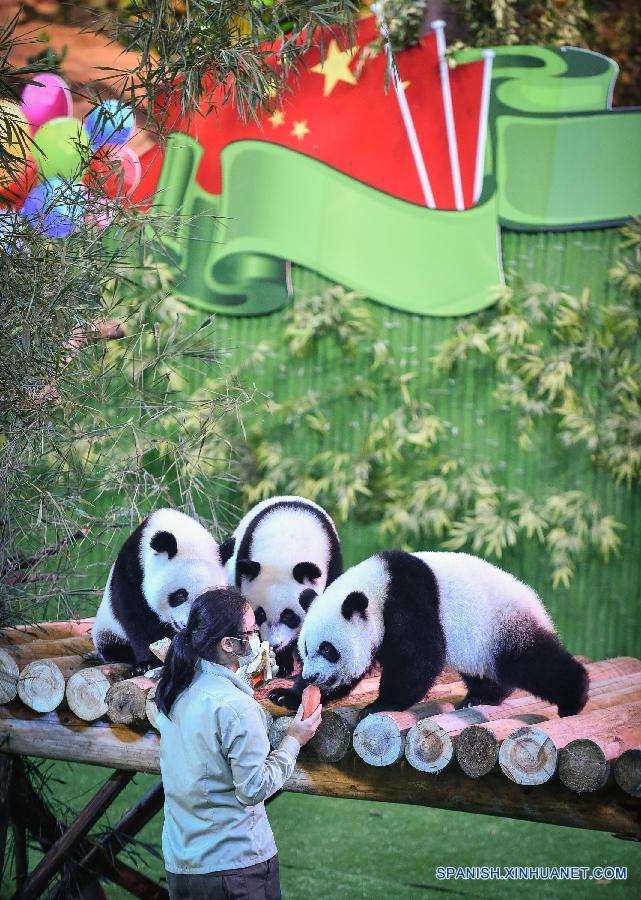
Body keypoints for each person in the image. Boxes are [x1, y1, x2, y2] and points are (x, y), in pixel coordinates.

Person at [155, 586, 322, 900]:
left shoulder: (172, 691)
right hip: (233, 871)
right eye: (253, 630)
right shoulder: (235, 707)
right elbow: (253, 788)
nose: (259, 637)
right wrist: (293, 740)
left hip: (181, 866)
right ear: (229, 644)